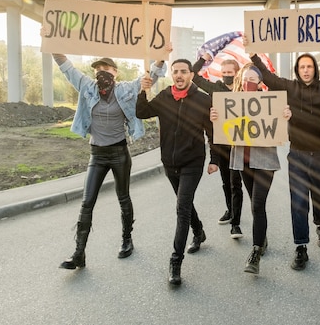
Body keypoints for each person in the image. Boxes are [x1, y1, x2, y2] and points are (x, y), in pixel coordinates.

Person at [247, 46, 320, 271]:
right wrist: (252, 54)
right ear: (297, 70)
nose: (306, 70)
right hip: (297, 155)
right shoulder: (289, 87)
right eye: (302, 67)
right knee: (298, 203)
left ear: (315, 69)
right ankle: (301, 247)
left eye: (309, 66)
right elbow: (267, 76)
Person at [54, 54, 167, 270]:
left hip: (119, 153)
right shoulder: (87, 87)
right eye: (98, 68)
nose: (102, 71)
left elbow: (150, 76)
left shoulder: (125, 89)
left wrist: (160, 58)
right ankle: (79, 253)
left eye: (107, 67)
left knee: (123, 198)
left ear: (116, 72)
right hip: (97, 155)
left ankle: (127, 240)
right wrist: (52, 45)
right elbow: (67, 68)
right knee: (87, 202)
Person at [136, 59, 219, 286]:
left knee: (181, 207)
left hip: (192, 162)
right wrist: (143, 91)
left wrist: (215, 160)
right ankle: (199, 231)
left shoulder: (204, 100)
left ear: (191, 74)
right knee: (186, 203)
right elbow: (142, 112)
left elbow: (213, 132)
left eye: (184, 71)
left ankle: (175, 262)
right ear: (172, 75)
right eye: (176, 72)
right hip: (169, 163)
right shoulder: (164, 96)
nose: (179, 75)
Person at [210, 62, 292, 275]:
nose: (249, 83)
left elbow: (282, 131)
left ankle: (255, 252)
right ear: (240, 80)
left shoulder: (271, 101)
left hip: (264, 161)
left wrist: (285, 117)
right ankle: (261, 238)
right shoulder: (232, 102)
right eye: (246, 79)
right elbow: (224, 130)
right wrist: (216, 119)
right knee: (255, 205)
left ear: (260, 81)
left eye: (253, 79)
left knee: (257, 205)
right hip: (242, 160)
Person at [192, 54, 245, 238]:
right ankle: (230, 210)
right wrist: (202, 59)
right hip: (221, 143)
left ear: (237, 73)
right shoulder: (215, 89)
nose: (227, 75)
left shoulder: (244, 90)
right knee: (226, 181)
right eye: (224, 72)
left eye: (230, 72)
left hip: (239, 143)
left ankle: (236, 224)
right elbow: (193, 75)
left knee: (235, 183)